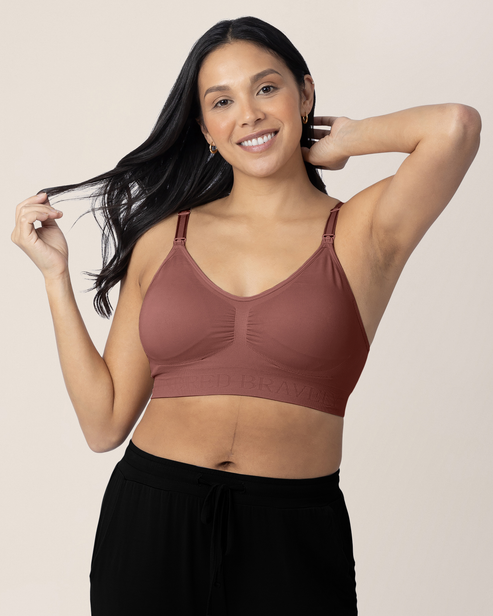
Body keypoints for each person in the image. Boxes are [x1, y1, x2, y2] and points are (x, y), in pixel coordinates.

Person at [11, 15, 481, 616]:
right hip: (151, 520)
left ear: (304, 94)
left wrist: (347, 138)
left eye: (266, 88)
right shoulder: (164, 238)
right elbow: (103, 425)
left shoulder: (364, 230)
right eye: (222, 101)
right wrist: (55, 278)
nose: (249, 115)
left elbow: (455, 126)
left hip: (291, 534)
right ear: (205, 128)